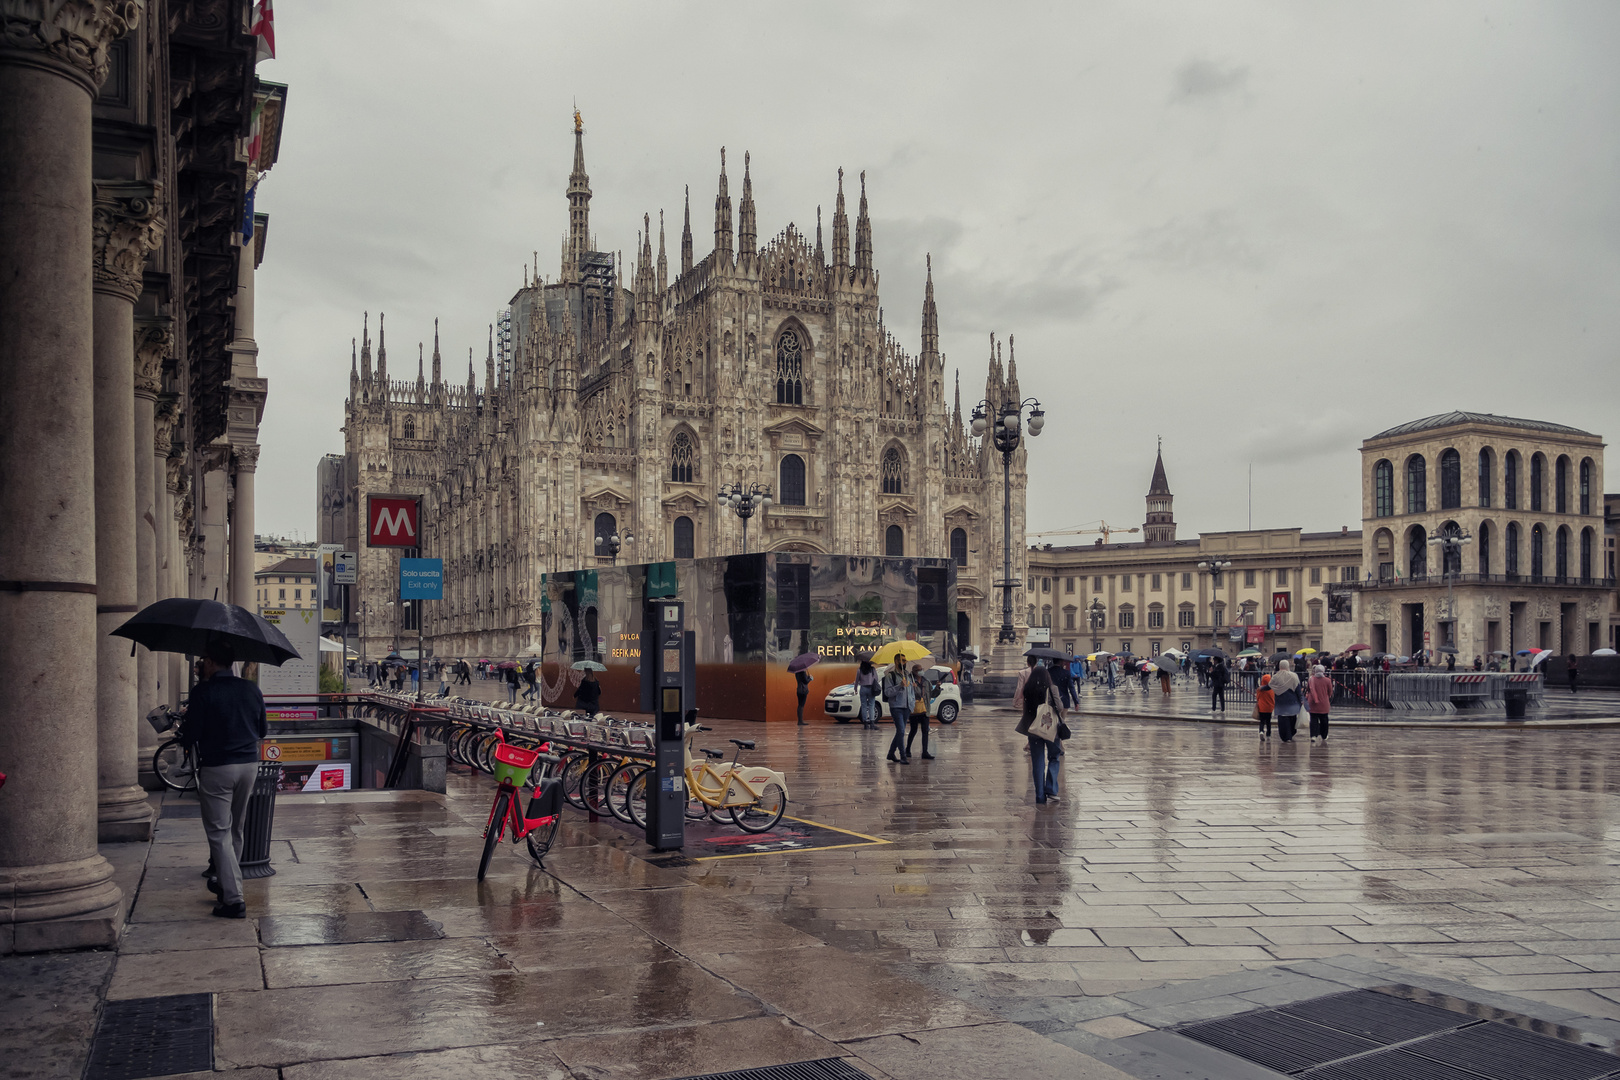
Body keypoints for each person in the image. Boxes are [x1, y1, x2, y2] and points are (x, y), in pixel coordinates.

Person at [182, 639, 267, 919]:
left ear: (210, 662)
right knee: (236, 830)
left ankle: (233, 899)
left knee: (219, 833)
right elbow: (262, 730)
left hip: (218, 767)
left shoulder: (203, 692)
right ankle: (225, 883)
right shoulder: (251, 688)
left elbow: (191, 734)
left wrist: (187, 722)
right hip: (249, 765)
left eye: (202, 660)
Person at [1014, 656, 1062, 805]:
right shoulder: (1052, 688)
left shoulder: (1028, 690)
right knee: (1054, 757)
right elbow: (1059, 708)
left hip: (1034, 729)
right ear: (1047, 677)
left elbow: (1025, 711)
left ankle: (1040, 796)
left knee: (1037, 762)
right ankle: (1051, 789)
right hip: (1050, 729)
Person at [882, 660, 914, 763]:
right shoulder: (890, 676)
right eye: (902, 660)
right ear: (896, 662)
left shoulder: (908, 675)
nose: (904, 662)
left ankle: (891, 753)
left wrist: (911, 703)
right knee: (901, 731)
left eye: (905, 660)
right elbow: (887, 692)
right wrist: (899, 685)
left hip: (907, 707)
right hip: (896, 707)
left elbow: (911, 691)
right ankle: (903, 756)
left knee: (900, 732)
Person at [906, 663, 934, 759]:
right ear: (914, 672)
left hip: (924, 709)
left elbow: (932, 694)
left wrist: (938, 688)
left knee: (925, 731)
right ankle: (907, 749)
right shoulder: (910, 681)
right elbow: (909, 694)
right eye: (918, 670)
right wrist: (912, 687)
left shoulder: (926, 681)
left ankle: (925, 752)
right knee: (913, 730)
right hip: (914, 710)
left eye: (921, 669)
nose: (921, 671)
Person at [1271, 658, 1303, 742]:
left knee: (1283, 721)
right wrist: (1301, 700)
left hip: (1281, 702)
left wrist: (1261, 689)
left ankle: (1286, 736)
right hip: (1292, 702)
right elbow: (1298, 689)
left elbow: (1269, 685)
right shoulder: (1293, 676)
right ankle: (1290, 734)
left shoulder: (1276, 676)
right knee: (1292, 719)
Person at [1306, 663, 1333, 742]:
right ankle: (1324, 735)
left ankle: (1313, 735)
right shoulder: (1328, 680)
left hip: (1313, 703)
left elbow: (1308, 689)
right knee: (1324, 719)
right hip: (1324, 703)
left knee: (1313, 719)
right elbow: (1330, 692)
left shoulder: (1311, 679)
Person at [855, 659, 879, 728]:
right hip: (871, 688)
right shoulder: (872, 669)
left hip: (863, 688)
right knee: (871, 705)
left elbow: (857, 680)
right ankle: (872, 723)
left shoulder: (859, 670)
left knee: (864, 706)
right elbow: (876, 679)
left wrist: (855, 689)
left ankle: (865, 723)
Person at [1255, 673, 1274, 739]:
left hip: (1262, 707)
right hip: (1269, 708)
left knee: (1262, 721)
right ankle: (1268, 733)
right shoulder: (1271, 689)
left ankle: (1261, 731)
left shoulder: (1260, 689)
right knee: (1268, 721)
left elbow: (1257, 698)